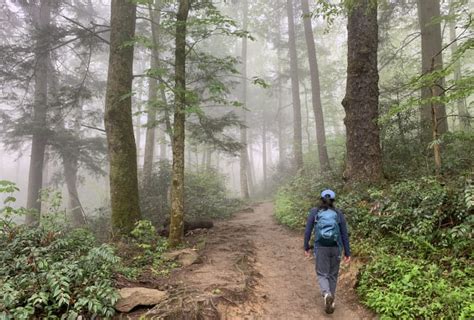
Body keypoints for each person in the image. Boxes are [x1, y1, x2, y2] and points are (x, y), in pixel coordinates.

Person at [304, 189, 351, 314]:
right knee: (332, 274)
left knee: (322, 273)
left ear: (321, 199)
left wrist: (306, 247)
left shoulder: (315, 212)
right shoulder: (338, 213)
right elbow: (344, 234)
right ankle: (331, 299)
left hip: (320, 247)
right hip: (336, 248)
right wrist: (347, 252)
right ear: (333, 200)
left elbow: (308, 231)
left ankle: (326, 294)